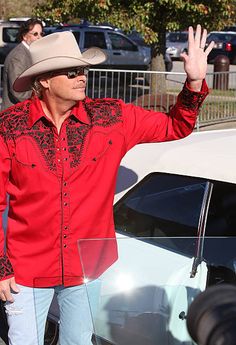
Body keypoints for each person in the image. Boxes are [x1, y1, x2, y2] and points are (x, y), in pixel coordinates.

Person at [0, 26, 214, 345]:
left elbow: (176, 125)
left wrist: (194, 81)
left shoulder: (111, 118)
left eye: (83, 69)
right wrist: (2, 268)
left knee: (79, 341)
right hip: (25, 270)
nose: (82, 76)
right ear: (43, 80)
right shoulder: (10, 128)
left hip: (86, 268)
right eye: (71, 71)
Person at [1, 18, 43, 110]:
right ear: (24, 36)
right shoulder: (18, 57)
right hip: (14, 114)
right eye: (35, 34)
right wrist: (41, 98)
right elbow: (18, 91)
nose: (40, 37)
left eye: (41, 34)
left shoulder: (29, 52)